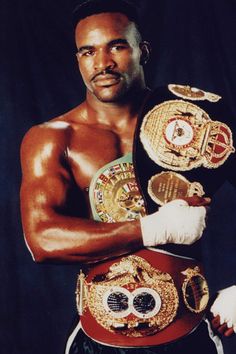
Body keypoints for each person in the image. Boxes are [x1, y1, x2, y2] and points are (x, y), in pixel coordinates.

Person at [20, 0, 236, 353]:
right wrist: (155, 227)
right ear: (77, 60)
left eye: (116, 46)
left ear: (142, 51)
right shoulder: (54, 137)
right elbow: (42, 239)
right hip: (98, 341)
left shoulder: (193, 121)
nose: (102, 63)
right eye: (87, 51)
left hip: (190, 335)